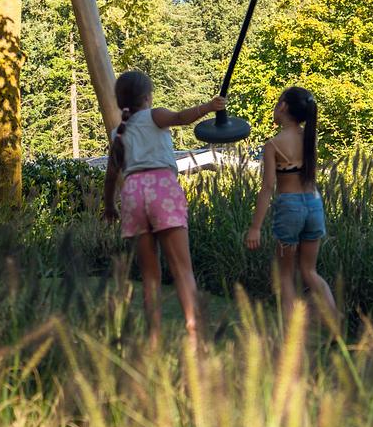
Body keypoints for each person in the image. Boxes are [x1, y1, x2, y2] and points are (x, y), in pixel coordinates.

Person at [104, 70, 225, 344]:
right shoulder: (154, 115)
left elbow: (111, 175)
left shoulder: (117, 133)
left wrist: (109, 206)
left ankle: (153, 340)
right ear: (147, 97)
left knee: (150, 277)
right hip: (162, 189)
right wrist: (209, 106)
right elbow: (182, 118)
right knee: (182, 270)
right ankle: (195, 335)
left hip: (133, 193)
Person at [245, 86, 337, 326]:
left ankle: (291, 332)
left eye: (277, 103)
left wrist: (255, 227)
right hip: (314, 205)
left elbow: (268, 187)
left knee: (285, 275)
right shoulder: (310, 138)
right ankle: (336, 324)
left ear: (283, 106)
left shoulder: (273, 145)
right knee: (309, 272)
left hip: (290, 208)